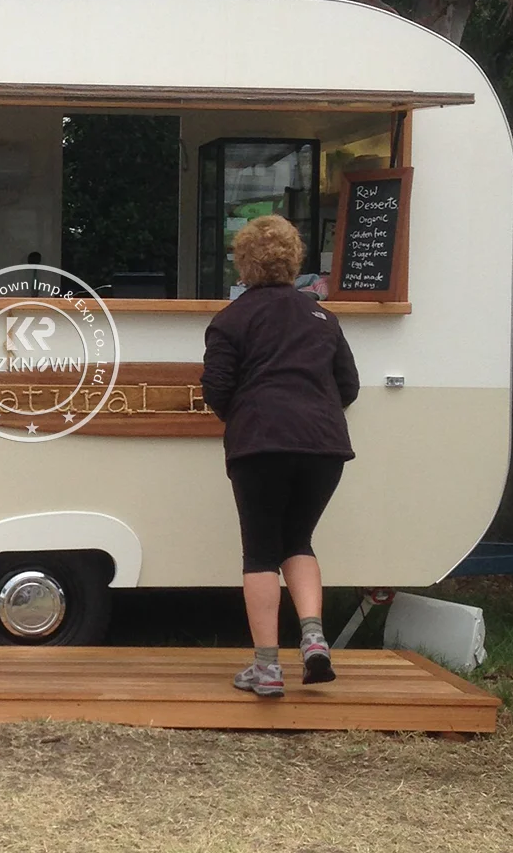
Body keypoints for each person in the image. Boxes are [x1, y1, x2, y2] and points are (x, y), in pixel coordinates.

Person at [201, 215, 359, 698]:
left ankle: (266, 668)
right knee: (299, 541)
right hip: (324, 447)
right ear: (295, 261)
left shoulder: (230, 320)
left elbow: (217, 390)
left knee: (261, 551)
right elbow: (348, 386)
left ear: (243, 264)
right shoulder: (322, 318)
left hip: (260, 445)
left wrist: (249, 415)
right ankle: (314, 640)